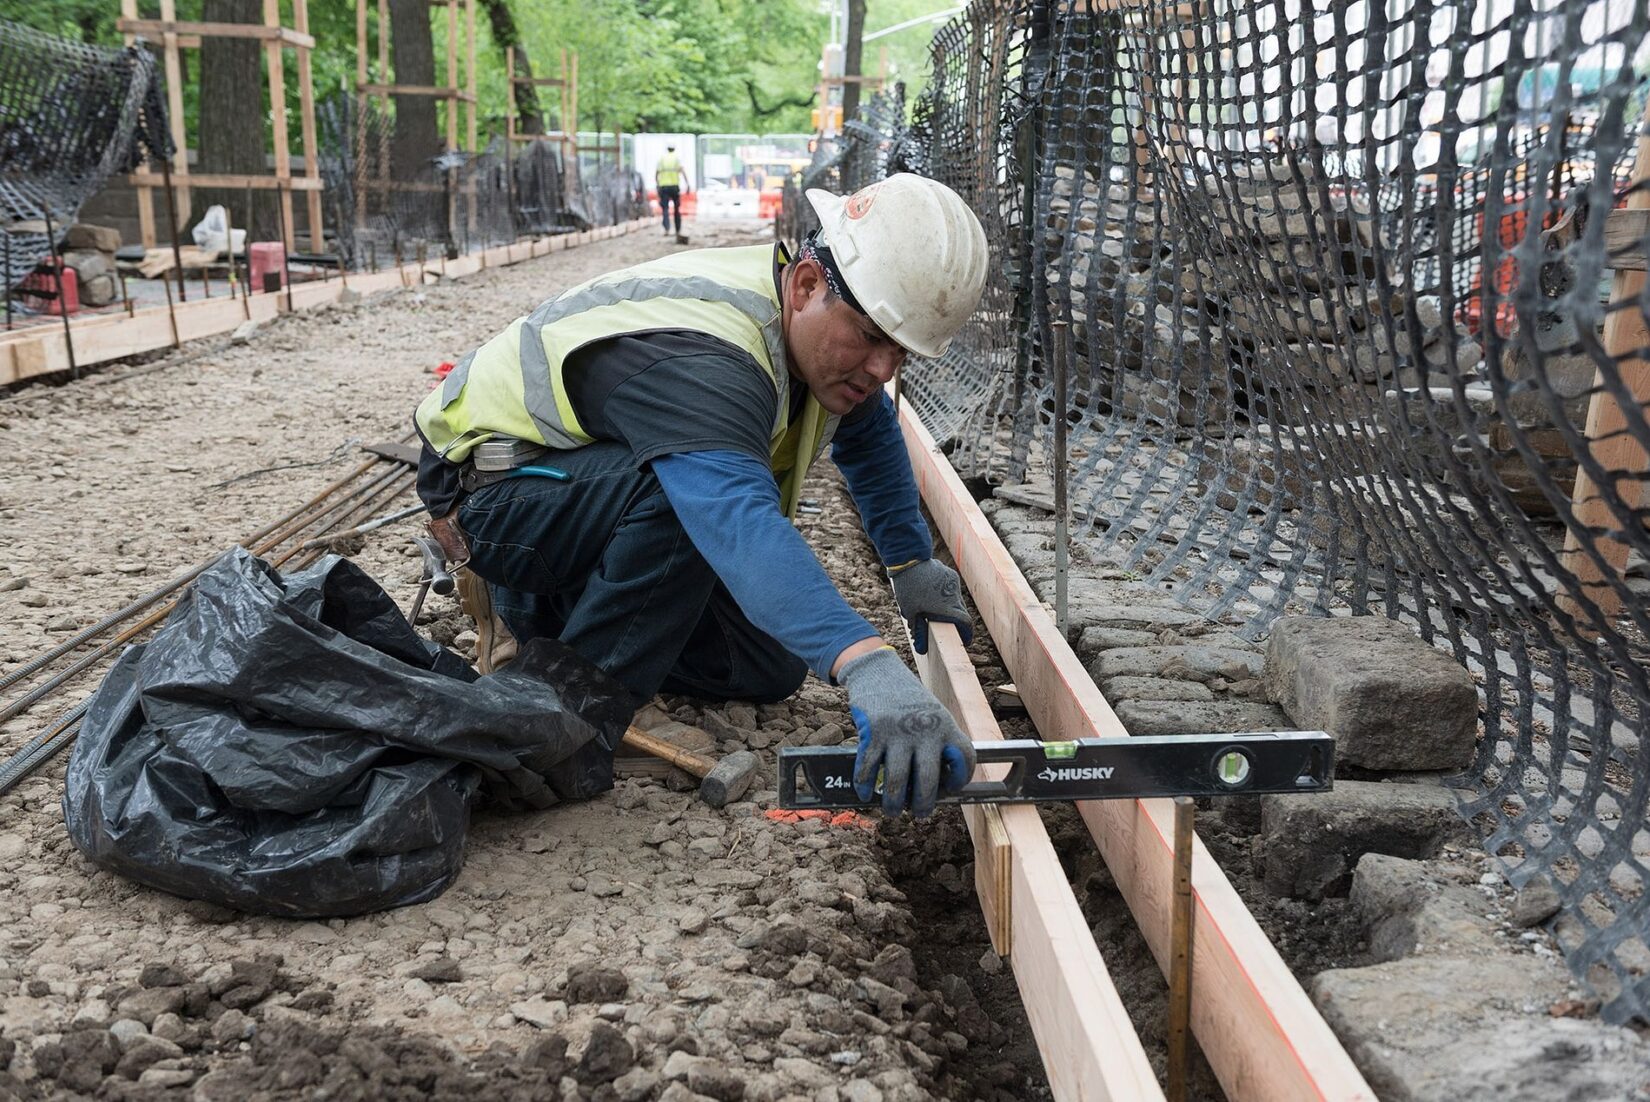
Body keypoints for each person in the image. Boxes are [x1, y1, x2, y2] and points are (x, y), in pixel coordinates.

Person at [414, 173, 989, 817]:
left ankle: (560, 617)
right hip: (498, 503)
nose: (884, 370)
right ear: (806, 286)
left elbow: (870, 430)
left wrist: (910, 562)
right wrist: (868, 664)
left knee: (769, 665)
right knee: (686, 500)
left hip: (578, 491)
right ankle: (570, 702)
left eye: (902, 353)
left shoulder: (814, 336)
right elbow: (735, 522)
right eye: (872, 338)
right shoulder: (711, 358)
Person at [656, 144, 688, 235]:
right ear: (674, 149)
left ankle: (666, 229)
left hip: (664, 186)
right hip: (674, 186)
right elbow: (682, 171)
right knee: (676, 209)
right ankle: (678, 230)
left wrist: (657, 184)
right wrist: (687, 183)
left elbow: (657, 173)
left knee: (665, 209)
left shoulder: (662, 159)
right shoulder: (677, 159)